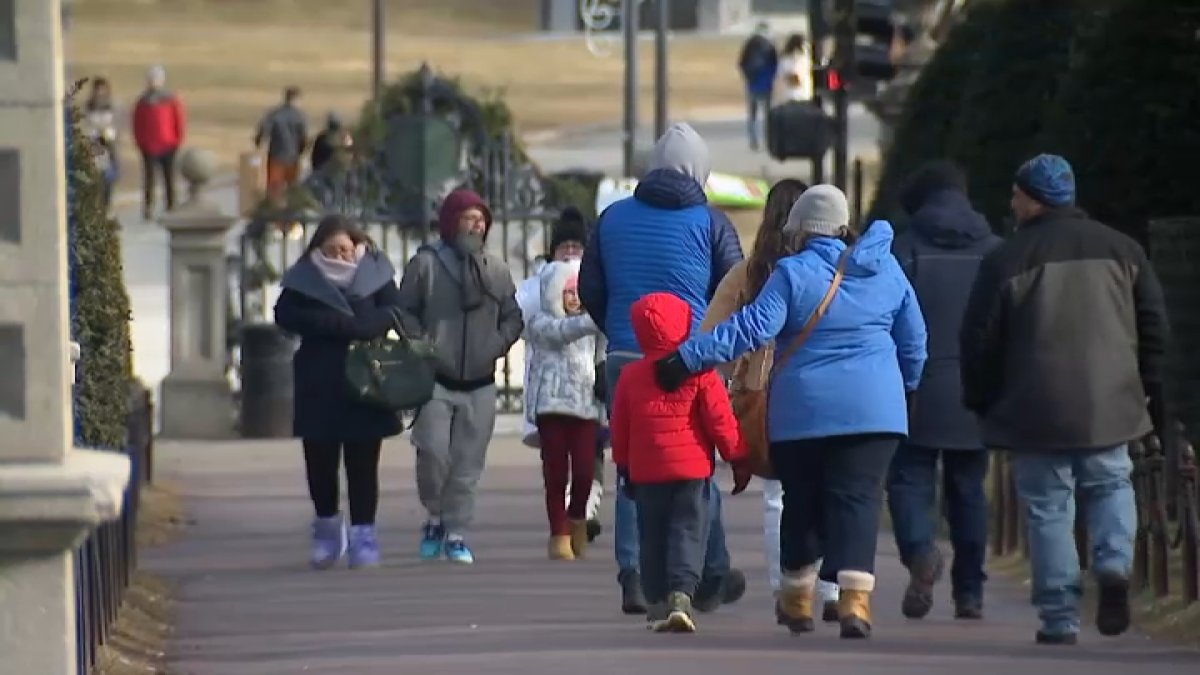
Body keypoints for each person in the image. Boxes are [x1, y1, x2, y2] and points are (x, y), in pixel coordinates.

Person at [656, 185, 928, 639]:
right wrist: (908, 387)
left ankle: (798, 600)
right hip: (876, 410)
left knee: (801, 501)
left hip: (805, 411)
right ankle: (855, 604)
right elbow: (914, 339)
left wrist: (686, 358)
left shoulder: (792, 272)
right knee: (859, 500)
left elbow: (749, 328)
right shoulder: (888, 269)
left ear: (800, 230)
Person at [960, 154, 1169, 645]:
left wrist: (982, 398)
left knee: (1048, 506)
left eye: (1016, 195)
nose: (1012, 204)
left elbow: (979, 341)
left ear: (1033, 199)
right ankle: (1113, 566)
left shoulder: (1007, 259)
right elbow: (1154, 326)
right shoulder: (1123, 250)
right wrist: (1147, 387)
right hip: (1112, 399)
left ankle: (1059, 615)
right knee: (1111, 484)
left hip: (1034, 406)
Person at [579, 122, 748, 616]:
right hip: (690, 358)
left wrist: (620, 329)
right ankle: (709, 571)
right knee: (696, 464)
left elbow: (591, 288)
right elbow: (734, 290)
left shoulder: (612, 218)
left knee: (632, 464)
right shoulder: (711, 223)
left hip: (626, 354)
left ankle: (634, 575)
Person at [701, 178, 841, 624]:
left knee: (779, 498)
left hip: (765, 393)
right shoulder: (837, 271)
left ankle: (787, 589)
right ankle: (833, 589)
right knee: (833, 490)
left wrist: (726, 380)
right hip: (831, 388)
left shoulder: (751, 272)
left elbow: (712, 333)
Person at [887, 161, 1003, 621]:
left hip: (914, 388)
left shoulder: (903, 250)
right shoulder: (995, 251)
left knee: (908, 478)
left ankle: (920, 552)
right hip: (975, 389)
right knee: (969, 489)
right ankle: (970, 591)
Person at [394, 189, 524, 565]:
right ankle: (435, 517)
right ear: (451, 222)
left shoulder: (495, 270)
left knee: (467, 465)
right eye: (468, 218)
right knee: (433, 454)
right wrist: (422, 344)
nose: (476, 225)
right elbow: (404, 311)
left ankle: (455, 532)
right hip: (435, 378)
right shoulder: (426, 265)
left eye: (481, 219)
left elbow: (513, 316)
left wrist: (496, 344)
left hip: (481, 382)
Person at [611, 292, 750, 633]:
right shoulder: (700, 373)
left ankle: (656, 600)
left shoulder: (630, 376)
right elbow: (720, 420)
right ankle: (682, 594)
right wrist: (737, 456)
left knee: (651, 534)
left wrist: (624, 465)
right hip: (691, 469)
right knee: (688, 530)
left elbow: (620, 427)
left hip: (646, 472)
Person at [273, 215, 403, 570]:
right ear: (318, 249)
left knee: (363, 465)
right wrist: (337, 325)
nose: (340, 256)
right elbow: (285, 315)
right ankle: (327, 530)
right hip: (319, 382)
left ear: (357, 246)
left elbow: (395, 311)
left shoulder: (376, 274)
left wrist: (364, 327)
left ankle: (364, 535)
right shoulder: (304, 278)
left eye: (345, 249)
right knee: (320, 463)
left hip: (366, 381)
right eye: (332, 250)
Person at [516, 208, 606, 540]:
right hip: (550, 397)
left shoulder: (596, 290)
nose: (570, 253)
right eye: (563, 246)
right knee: (555, 470)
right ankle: (560, 533)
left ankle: (580, 516)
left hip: (586, 395)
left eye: (576, 246)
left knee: (585, 467)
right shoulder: (538, 293)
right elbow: (542, 326)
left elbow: (604, 343)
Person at [132, 65, 185, 220]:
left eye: (156, 79)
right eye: (151, 79)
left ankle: (171, 204)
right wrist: (140, 142)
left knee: (169, 177)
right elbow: (137, 124)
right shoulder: (142, 101)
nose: (153, 82)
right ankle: (148, 207)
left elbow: (179, 120)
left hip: (168, 144)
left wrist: (177, 140)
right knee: (149, 179)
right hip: (148, 146)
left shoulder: (171, 99)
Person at [255, 86, 309, 203]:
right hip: (293, 158)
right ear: (297, 99)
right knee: (292, 189)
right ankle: (290, 211)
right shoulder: (300, 116)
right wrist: (301, 151)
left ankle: (274, 210)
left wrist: (258, 142)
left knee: (274, 189)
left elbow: (263, 131)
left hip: (276, 157)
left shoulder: (274, 114)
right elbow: (304, 138)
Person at [737, 21, 779, 151]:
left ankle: (753, 141)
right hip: (766, 84)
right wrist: (771, 78)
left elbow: (741, 63)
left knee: (752, 114)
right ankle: (769, 140)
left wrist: (748, 78)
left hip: (752, 84)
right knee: (768, 115)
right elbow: (775, 65)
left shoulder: (749, 45)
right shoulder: (770, 46)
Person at [82, 77, 120, 213]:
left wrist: (108, 133)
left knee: (108, 178)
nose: (100, 92)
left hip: (108, 144)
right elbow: (85, 126)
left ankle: (106, 206)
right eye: (98, 89)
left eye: (103, 89)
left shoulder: (111, 106)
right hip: (94, 144)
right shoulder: (88, 107)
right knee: (95, 178)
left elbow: (115, 126)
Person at [776, 33, 813, 103]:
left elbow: (780, 73)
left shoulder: (785, 59)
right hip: (802, 94)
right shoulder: (804, 58)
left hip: (792, 94)